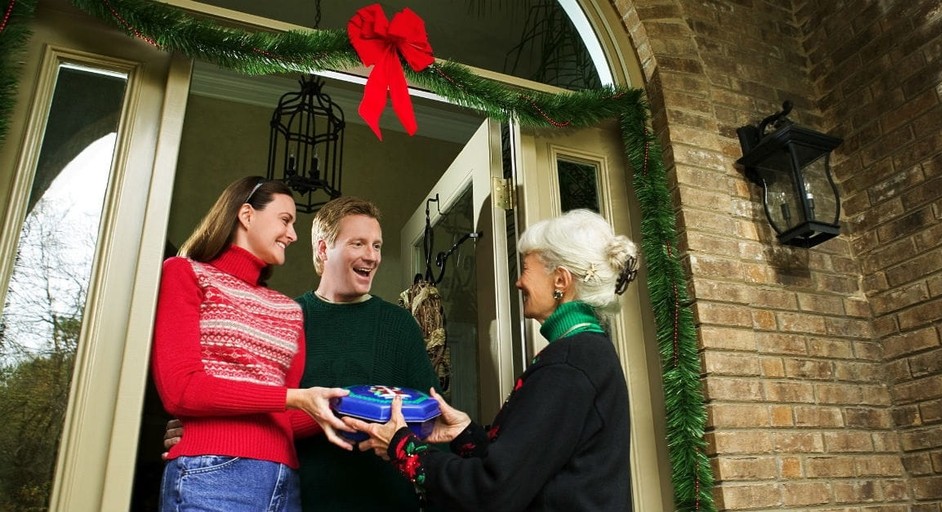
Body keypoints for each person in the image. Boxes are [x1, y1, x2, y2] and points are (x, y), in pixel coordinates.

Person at [346, 209, 638, 511]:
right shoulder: (587, 353)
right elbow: (527, 468)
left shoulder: (569, 363)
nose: (518, 283)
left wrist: (403, 449)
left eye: (525, 268)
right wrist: (466, 435)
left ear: (560, 280)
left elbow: (493, 493)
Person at [152, 176, 352, 511]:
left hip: (283, 482)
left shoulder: (289, 311)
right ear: (247, 215)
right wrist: (294, 398)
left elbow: (284, 416)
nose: (292, 235)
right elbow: (181, 389)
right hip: (211, 475)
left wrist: (348, 405)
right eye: (285, 220)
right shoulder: (186, 274)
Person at [294, 196, 442, 511]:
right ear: (323, 249)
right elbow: (261, 402)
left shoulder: (398, 325)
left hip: (386, 501)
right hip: (302, 499)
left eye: (376, 245)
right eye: (358, 243)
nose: (372, 256)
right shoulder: (287, 317)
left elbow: (434, 416)